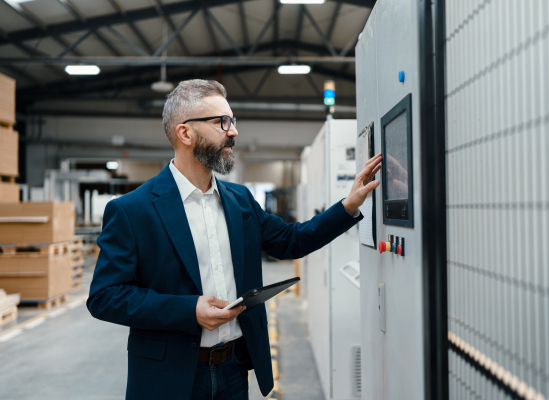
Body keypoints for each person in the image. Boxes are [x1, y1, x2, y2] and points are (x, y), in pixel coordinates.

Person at [86, 79, 382, 400]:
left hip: (234, 370)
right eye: (222, 122)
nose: (234, 132)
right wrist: (189, 310)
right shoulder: (133, 210)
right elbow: (105, 296)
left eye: (233, 121)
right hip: (170, 378)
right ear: (185, 133)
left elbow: (291, 241)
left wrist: (348, 206)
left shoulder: (240, 201)